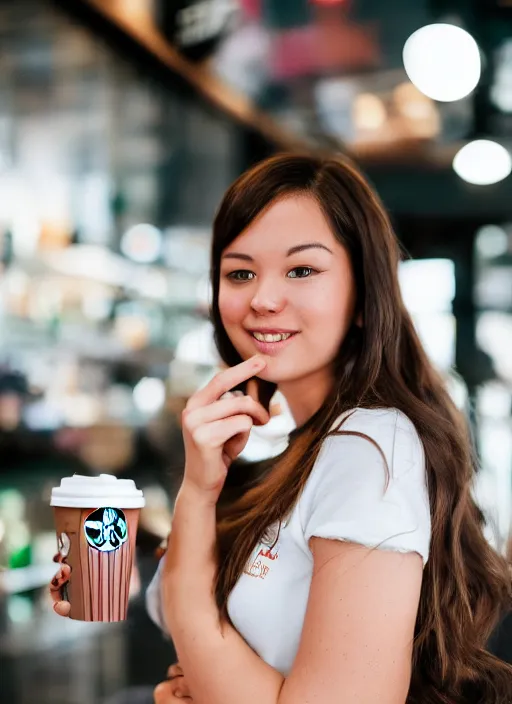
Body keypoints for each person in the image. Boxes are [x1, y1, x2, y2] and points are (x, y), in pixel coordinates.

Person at [52, 154, 512, 704]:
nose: (263, 300)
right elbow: (200, 608)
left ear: (364, 297)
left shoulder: (370, 445)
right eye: (240, 272)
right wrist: (198, 490)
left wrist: (204, 673)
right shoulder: (299, 448)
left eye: (302, 270)